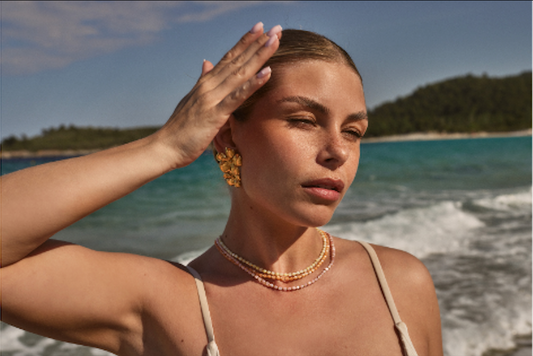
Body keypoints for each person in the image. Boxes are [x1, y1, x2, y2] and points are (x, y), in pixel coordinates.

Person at [1, 23, 443, 356]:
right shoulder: (170, 302)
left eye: (353, 130)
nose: (337, 152)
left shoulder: (401, 282)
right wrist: (166, 146)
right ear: (227, 136)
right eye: (305, 121)